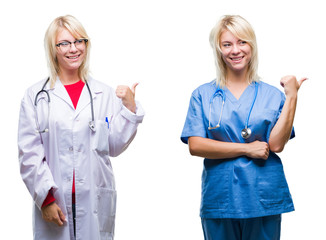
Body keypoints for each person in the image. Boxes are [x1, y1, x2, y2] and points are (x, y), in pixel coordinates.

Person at [18, 15, 144, 240]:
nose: (73, 49)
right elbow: (29, 154)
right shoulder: (36, 96)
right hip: (55, 201)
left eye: (79, 41)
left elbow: (113, 146)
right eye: (64, 43)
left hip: (94, 199)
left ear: (87, 45)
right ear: (53, 49)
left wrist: (130, 108)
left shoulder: (103, 93)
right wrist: (46, 199)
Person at [180, 15, 306, 240]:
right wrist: (247, 149)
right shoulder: (203, 95)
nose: (235, 50)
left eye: (242, 42)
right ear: (218, 49)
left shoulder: (272, 95)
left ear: (252, 45)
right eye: (227, 44)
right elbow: (196, 144)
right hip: (220, 196)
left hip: (263, 195)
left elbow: (276, 144)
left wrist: (292, 97)